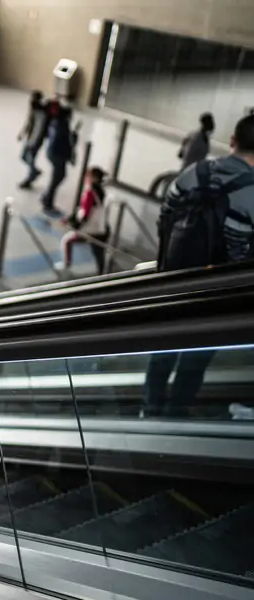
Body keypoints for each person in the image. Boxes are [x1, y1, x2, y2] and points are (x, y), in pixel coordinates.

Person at [142, 114, 254, 419]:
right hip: (215, 299)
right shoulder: (252, 192)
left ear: (232, 141)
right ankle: (176, 412)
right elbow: (241, 252)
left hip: (174, 284)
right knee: (196, 357)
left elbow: (165, 216)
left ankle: (149, 409)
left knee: (162, 350)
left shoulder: (195, 171)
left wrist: (168, 265)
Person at [55, 167, 109, 275]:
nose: (86, 178)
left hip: (90, 229)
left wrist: (76, 225)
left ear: (93, 177)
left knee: (67, 240)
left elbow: (85, 212)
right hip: (100, 227)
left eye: (88, 176)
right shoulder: (100, 191)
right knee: (98, 251)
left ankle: (67, 264)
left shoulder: (90, 192)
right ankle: (102, 272)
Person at [39, 100, 78, 215]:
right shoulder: (62, 125)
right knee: (57, 177)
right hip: (58, 155)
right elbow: (65, 142)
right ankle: (47, 201)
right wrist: (73, 139)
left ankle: (47, 197)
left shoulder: (55, 121)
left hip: (52, 153)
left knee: (59, 176)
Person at [18, 91, 49, 189]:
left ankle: (30, 177)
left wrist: (32, 143)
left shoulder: (41, 112)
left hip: (35, 141)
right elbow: (29, 123)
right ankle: (34, 171)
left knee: (30, 158)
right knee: (23, 157)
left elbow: (38, 129)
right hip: (30, 139)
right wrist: (22, 134)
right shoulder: (33, 109)